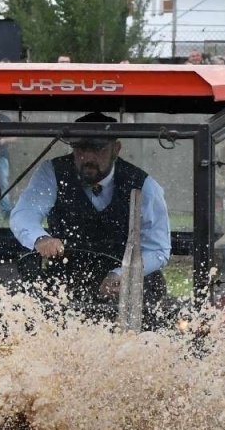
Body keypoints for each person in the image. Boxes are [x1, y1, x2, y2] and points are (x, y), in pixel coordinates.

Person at [9, 112, 171, 319]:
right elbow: (24, 212)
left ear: (116, 149)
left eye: (98, 149)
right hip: (68, 277)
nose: (88, 158)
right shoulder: (53, 172)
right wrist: (40, 238)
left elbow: (158, 249)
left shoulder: (144, 185)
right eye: (81, 149)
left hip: (127, 283)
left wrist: (122, 274)